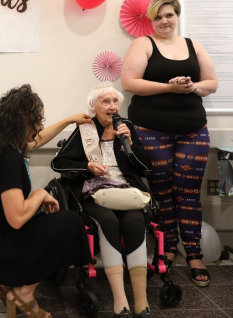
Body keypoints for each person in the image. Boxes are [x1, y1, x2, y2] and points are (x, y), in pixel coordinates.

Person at [0, 84, 91, 318]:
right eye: (37, 120)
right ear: (23, 119)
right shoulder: (11, 158)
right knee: (71, 222)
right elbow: (17, 219)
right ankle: (24, 292)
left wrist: (70, 120)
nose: (40, 126)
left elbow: (37, 141)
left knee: (47, 220)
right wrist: (40, 195)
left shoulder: (1, 147)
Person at [120, 0, 218, 287]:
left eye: (169, 15)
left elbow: (211, 83)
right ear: (151, 21)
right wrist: (168, 87)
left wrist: (191, 86)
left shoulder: (193, 45)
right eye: (158, 17)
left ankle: (194, 255)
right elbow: (129, 82)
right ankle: (167, 250)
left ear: (177, 16)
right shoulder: (142, 44)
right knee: (161, 192)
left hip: (192, 129)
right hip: (151, 129)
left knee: (188, 192)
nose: (164, 21)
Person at [52, 82, 154, 318]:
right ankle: (121, 302)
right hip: (94, 193)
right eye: (105, 101)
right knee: (108, 220)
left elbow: (143, 167)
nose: (112, 106)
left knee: (135, 222)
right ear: (93, 106)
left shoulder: (125, 127)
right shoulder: (85, 129)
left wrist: (132, 143)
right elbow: (58, 163)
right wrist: (86, 166)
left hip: (126, 192)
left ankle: (142, 302)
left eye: (115, 101)